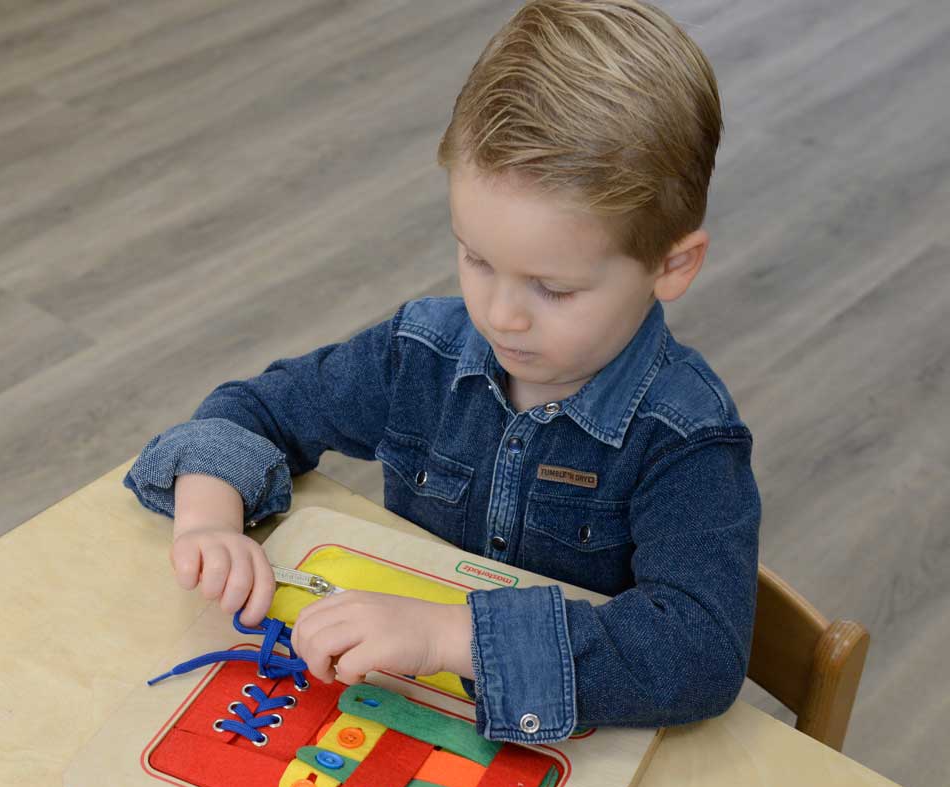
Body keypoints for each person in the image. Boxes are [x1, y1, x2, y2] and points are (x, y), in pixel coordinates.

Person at [125, 0, 760, 744]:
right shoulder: (419, 353)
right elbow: (255, 411)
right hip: (396, 717)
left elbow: (698, 653)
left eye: (552, 289)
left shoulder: (686, 441)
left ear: (671, 264)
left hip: (566, 758)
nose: (500, 315)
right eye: (476, 258)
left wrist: (446, 637)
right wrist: (210, 519)